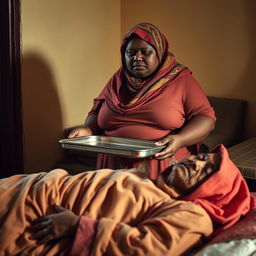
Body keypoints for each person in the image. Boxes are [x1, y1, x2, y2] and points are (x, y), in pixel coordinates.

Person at [0, 145, 255, 256]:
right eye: (200, 158)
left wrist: (77, 227)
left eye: (206, 169)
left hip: (31, 214)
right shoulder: (160, 189)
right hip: (29, 187)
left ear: (215, 191)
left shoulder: (193, 216)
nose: (194, 161)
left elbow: (150, 249)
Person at [68, 22, 216, 180]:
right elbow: (97, 112)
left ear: (159, 53)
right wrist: (88, 130)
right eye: (130, 53)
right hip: (112, 167)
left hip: (159, 166)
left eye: (145, 52)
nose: (137, 58)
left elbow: (205, 118)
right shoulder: (117, 80)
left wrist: (181, 139)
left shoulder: (181, 80)